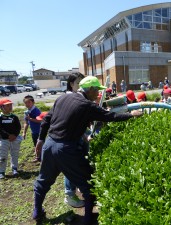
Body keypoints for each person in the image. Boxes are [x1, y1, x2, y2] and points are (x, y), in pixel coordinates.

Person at [33, 76, 143, 224]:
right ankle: (88, 220)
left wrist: (40, 140)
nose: (98, 94)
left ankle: (37, 211)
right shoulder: (86, 105)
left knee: (43, 181)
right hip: (66, 149)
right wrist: (131, 115)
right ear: (90, 89)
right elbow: (109, 116)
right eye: (97, 90)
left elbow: (47, 120)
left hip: (49, 144)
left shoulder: (62, 98)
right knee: (88, 183)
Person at [65, 72, 86, 208]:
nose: (80, 86)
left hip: (78, 136)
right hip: (69, 138)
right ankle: (69, 195)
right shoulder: (69, 98)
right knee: (70, 167)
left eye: (82, 83)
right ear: (71, 84)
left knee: (78, 164)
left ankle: (77, 187)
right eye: (78, 83)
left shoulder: (79, 97)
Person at [0, 98, 22, 179]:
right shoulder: (0, 117)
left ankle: (14, 168)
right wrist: (8, 136)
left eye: (10, 105)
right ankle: (2, 171)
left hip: (15, 139)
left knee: (15, 154)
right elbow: (0, 129)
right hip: (3, 140)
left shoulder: (14, 117)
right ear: (2, 107)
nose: (10, 107)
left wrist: (15, 135)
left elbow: (18, 127)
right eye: (7, 105)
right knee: (3, 156)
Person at [22, 95, 41, 162]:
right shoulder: (26, 112)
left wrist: (30, 118)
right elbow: (26, 123)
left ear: (33, 102)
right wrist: (24, 132)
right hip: (33, 132)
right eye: (25, 103)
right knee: (35, 144)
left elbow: (39, 120)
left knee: (39, 144)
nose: (27, 104)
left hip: (40, 131)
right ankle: (38, 156)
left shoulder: (36, 110)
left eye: (29, 102)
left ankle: (39, 157)